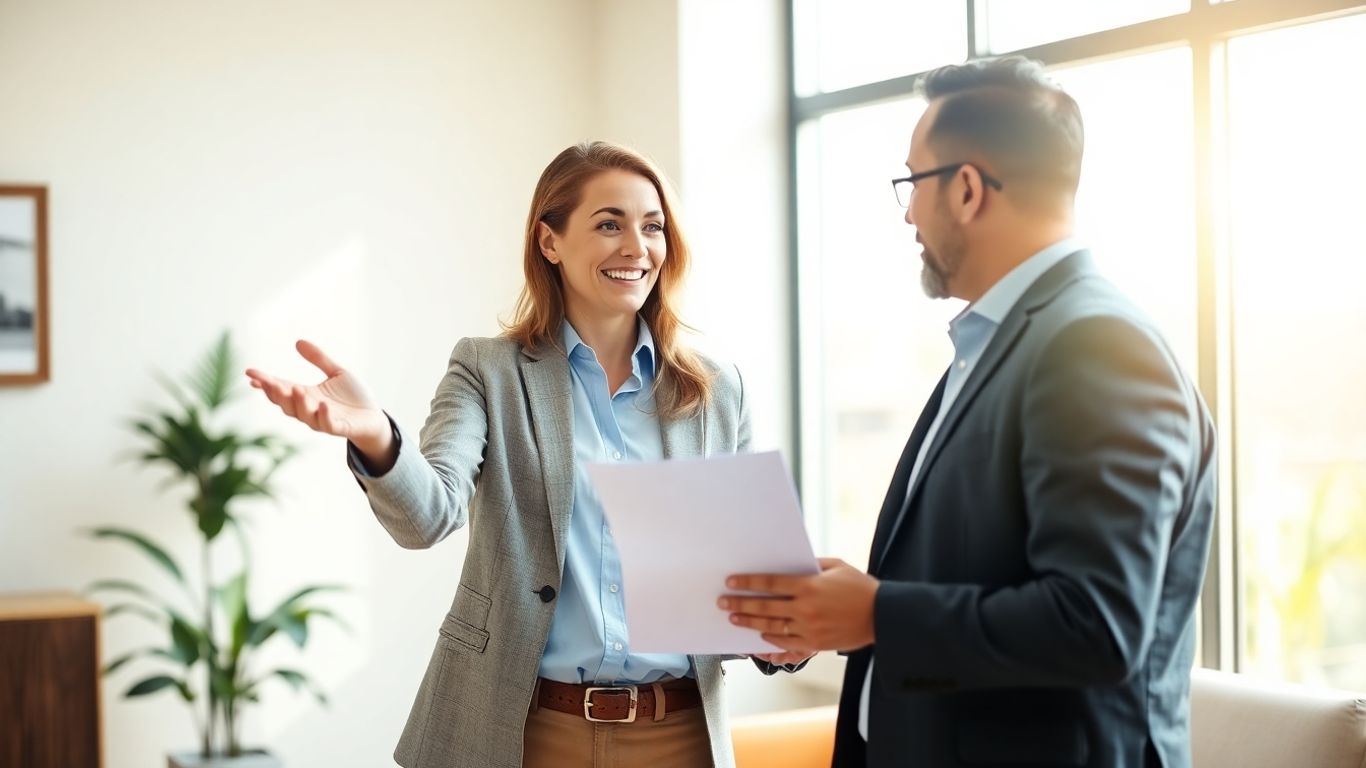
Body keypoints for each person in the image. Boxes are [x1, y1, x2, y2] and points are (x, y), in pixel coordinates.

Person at [720, 57, 1217, 768]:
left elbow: (1097, 624)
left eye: (912, 183)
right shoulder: (1004, 340)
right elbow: (989, 568)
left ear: (966, 189)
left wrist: (876, 612)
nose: (907, 211)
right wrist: (849, 607)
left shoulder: (1095, 346)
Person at [246, 141, 809, 768]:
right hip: (524, 729)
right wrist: (376, 434)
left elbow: (737, 567)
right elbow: (427, 516)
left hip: (676, 733)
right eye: (608, 224)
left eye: (653, 227)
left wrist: (778, 633)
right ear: (549, 241)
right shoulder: (488, 370)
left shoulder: (714, 387)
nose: (636, 247)